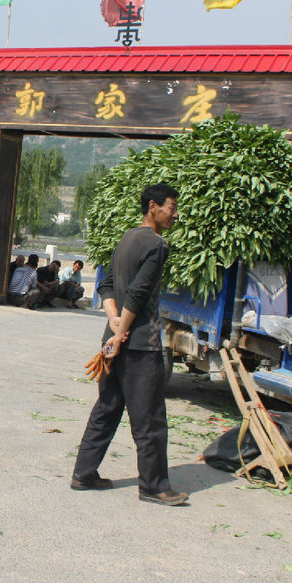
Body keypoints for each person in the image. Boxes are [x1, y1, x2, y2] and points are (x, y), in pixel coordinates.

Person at [71, 183, 187, 506]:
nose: (174, 214)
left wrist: (113, 325)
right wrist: (122, 334)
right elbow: (138, 292)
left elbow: (106, 284)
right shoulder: (156, 245)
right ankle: (153, 486)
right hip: (138, 345)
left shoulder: (125, 239)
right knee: (149, 418)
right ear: (153, 207)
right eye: (171, 207)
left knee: (107, 408)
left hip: (115, 342)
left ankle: (83, 472)